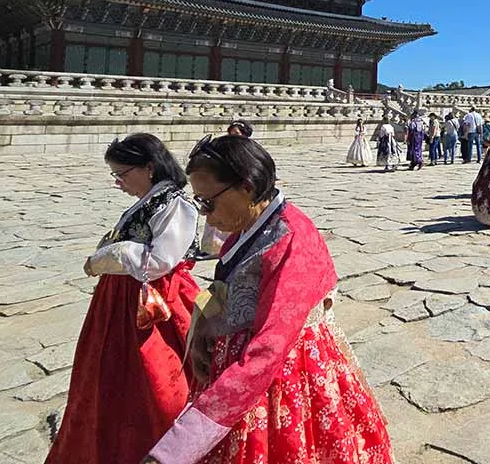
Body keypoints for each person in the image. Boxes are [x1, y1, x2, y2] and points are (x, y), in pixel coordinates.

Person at [145, 135, 392, 464]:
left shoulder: (290, 240)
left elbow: (269, 350)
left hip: (280, 375)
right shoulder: (247, 228)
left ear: (245, 187)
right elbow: (225, 287)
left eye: (209, 202)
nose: (205, 215)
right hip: (239, 369)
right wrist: (205, 329)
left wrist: (176, 448)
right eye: (199, 202)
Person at [49, 134, 201, 464]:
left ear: (149, 167)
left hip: (151, 301)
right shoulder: (150, 200)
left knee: (156, 381)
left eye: (123, 174)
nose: (118, 182)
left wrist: (109, 255)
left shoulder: (176, 205)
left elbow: (161, 260)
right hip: (120, 297)